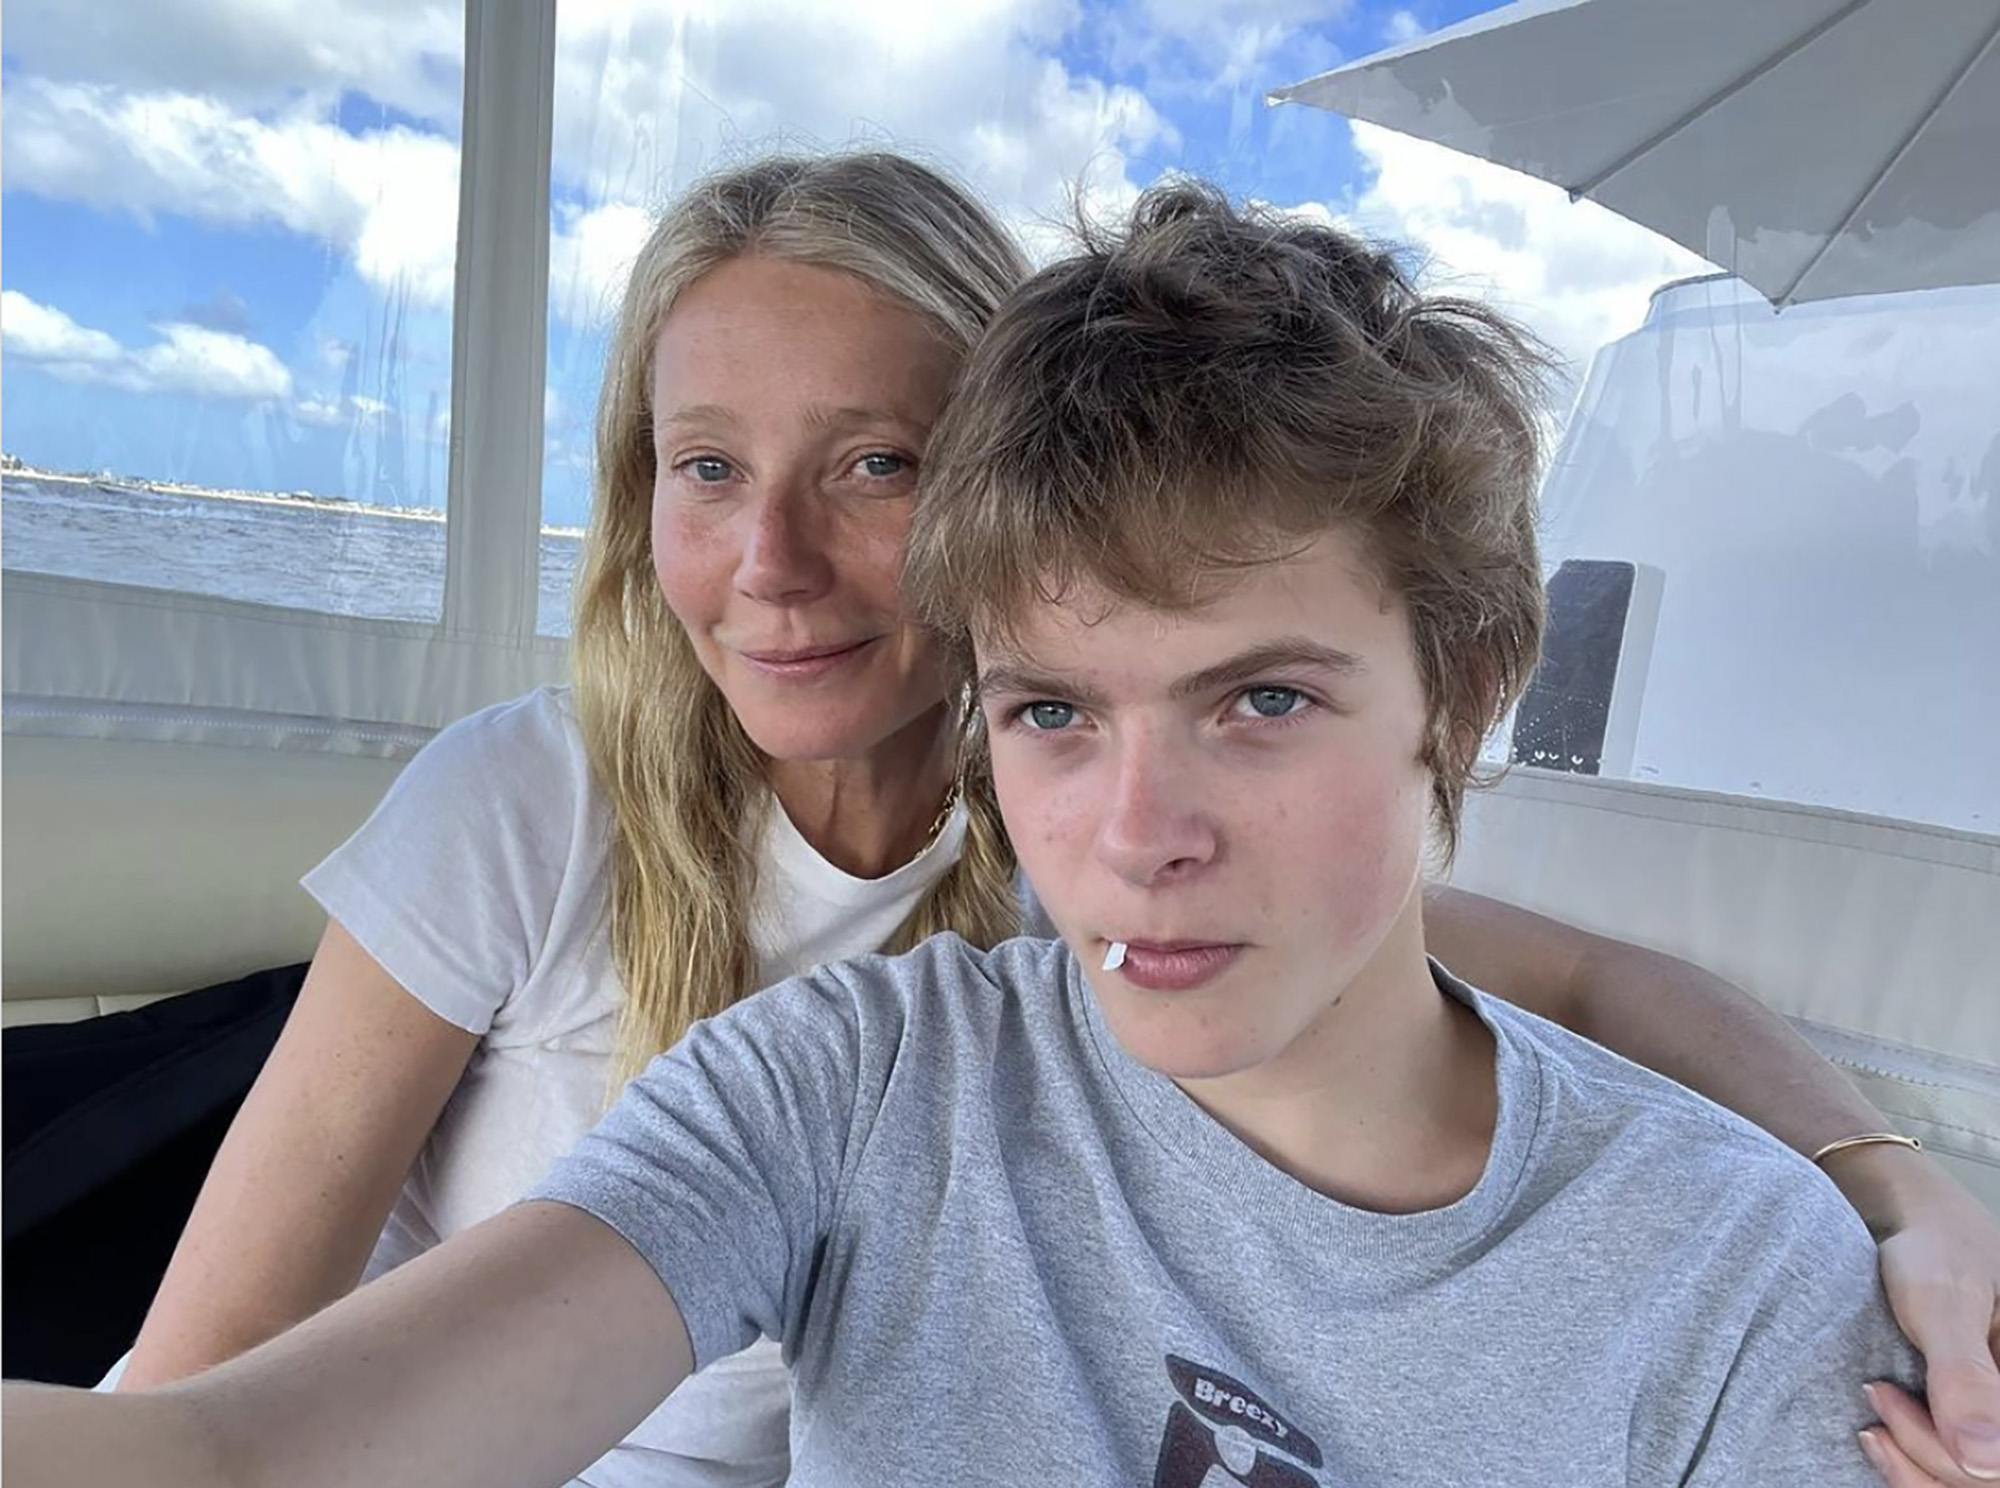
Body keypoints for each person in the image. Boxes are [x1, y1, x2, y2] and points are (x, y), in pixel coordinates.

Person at [0, 176, 1943, 1488]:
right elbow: (219, 1448)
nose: (1141, 836)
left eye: (1258, 700)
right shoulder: (854, 1078)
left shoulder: (1733, 1285)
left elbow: (1586, 979)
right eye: (1054, 712)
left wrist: (1908, 1200)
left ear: (1468, 680)